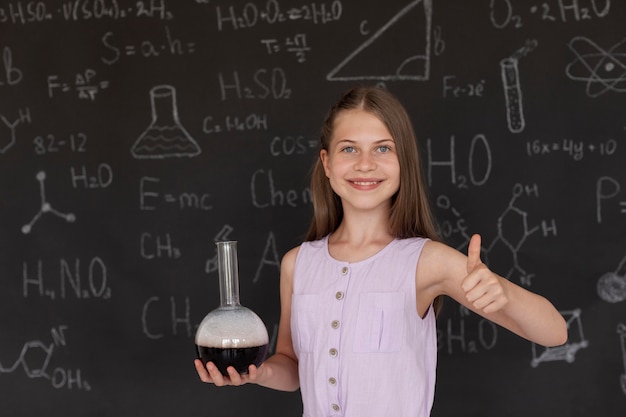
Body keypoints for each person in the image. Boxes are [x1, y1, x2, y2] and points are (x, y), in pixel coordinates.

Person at [194, 86, 568, 416]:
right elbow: (292, 368)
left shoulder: (426, 261)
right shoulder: (298, 263)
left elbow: (555, 333)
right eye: (349, 148)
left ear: (404, 161)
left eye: (383, 148)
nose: (365, 164)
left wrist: (503, 295)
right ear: (326, 163)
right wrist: (255, 374)